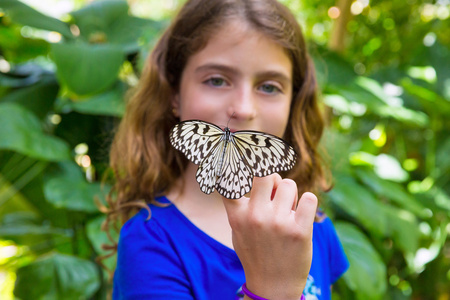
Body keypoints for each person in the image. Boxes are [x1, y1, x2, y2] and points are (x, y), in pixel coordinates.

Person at [105, 0, 349, 299]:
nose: (244, 109)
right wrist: (271, 289)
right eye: (217, 80)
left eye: (269, 87)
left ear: (293, 103)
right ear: (174, 94)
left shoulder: (310, 223)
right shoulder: (151, 243)